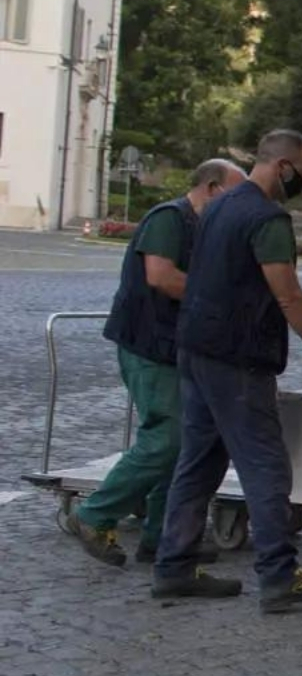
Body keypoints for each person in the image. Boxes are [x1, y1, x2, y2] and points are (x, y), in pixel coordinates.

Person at [151, 129, 302, 611]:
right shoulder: (266, 218)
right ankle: (279, 576)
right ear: (284, 167)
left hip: (196, 347)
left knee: (198, 462)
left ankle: (174, 566)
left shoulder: (219, 206)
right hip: (237, 357)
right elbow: (288, 297)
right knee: (265, 464)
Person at [58, 159, 246, 566]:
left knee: (183, 444)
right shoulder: (169, 219)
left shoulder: (204, 227)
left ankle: (163, 537)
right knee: (169, 438)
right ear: (213, 189)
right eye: (236, 195)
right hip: (148, 346)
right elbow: (161, 276)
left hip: (176, 347)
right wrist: (221, 304)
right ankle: (95, 514)